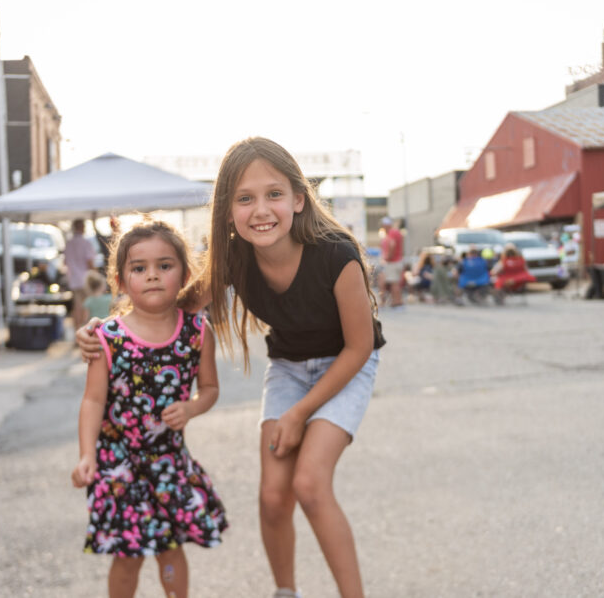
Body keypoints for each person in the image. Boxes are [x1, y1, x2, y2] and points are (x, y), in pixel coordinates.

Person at [77, 137, 385, 598]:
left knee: (309, 484)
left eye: (274, 194)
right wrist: (102, 328)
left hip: (347, 364)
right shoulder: (235, 258)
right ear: (226, 212)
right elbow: (167, 305)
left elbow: (359, 348)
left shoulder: (336, 255)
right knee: (273, 496)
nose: (260, 210)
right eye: (244, 199)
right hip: (289, 368)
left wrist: (298, 414)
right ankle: (286, 592)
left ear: (299, 199)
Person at [71, 219, 227, 598]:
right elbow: (93, 400)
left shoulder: (197, 332)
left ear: (185, 275)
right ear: (121, 281)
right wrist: (87, 454)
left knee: (170, 550)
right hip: (118, 465)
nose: (152, 275)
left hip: (168, 462)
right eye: (139, 268)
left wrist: (190, 409)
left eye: (164, 265)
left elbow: (209, 390)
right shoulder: (107, 338)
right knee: (127, 556)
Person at [65, 219, 97, 330]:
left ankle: (77, 329)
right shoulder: (85, 243)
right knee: (86, 306)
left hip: (73, 279)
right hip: (86, 279)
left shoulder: (69, 243)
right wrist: (96, 275)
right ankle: (85, 329)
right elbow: (90, 262)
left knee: (77, 306)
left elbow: (65, 262)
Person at [379, 216, 404, 309]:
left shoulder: (392, 232)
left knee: (394, 283)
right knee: (392, 282)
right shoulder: (394, 232)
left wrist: (388, 257)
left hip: (393, 262)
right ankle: (395, 302)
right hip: (395, 261)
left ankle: (397, 302)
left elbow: (392, 245)